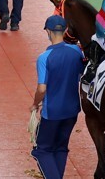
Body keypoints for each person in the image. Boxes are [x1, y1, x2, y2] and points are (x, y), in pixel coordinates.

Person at [31, 15, 85, 179]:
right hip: (72, 110)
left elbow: (42, 88)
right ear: (65, 30)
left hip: (52, 112)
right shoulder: (76, 51)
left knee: (42, 150)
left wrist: (35, 104)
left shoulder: (44, 58)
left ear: (48, 31)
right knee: (61, 147)